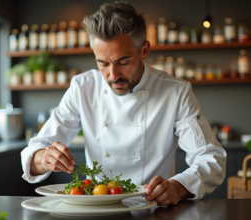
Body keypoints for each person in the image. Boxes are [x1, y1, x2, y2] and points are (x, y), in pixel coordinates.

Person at [21, 2, 226, 206]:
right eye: (103, 63)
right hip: (96, 209)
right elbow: (37, 148)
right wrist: (44, 158)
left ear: (144, 51)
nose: (113, 75)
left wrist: (177, 187)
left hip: (152, 209)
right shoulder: (82, 87)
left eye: (123, 62)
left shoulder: (176, 91)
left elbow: (211, 158)